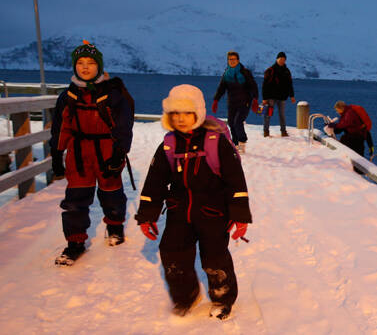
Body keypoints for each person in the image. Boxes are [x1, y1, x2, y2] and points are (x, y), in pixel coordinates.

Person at [135, 84, 252, 320]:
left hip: (213, 212)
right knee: (172, 252)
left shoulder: (215, 141)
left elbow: (235, 180)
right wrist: (147, 214)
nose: (180, 119)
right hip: (180, 211)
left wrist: (239, 215)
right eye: (175, 113)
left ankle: (222, 297)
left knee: (215, 257)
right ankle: (185, 295)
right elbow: (155, 181)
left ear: (197, 113)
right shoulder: (168, 144)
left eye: (186, 113)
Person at [50, 41, 134, 266]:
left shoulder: (113, 94)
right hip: (78, 152)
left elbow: (124, 126)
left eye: (90, 63)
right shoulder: (68, 96)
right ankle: (75, 242)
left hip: (107, 148)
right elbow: (60, 127)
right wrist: (57, 154)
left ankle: (115, 227)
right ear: (74, 66)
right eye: (80, 63)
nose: (85, 67)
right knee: (75, 199)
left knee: (112, 192)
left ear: (99, 66)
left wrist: (119, 152)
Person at [212, 51, 258, 153]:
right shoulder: (226, 74)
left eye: (233, 59)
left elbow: (253, 86)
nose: (232, 61)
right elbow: (221, 88)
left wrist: (255, 99)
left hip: (244, 102)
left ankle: (242, 142)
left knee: (238, 122)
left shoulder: (245, 72)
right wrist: (216, 100)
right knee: (232, 123)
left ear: (238, 60)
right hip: (232, 102)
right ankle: (235, 143)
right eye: (230, 59)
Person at [261, 51, 295, 137]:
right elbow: (264, 85)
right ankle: (266, 132)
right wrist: (264, 98)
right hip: (271, 97)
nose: (282, 61)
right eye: (280, 59)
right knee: (268, 114)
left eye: (284, 59)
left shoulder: (287, 71)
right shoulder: (270, 70)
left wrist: (292, 96)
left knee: (282, 115)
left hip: (282, 97)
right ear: (277, 59)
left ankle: (283, 131)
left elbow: (290, 84)